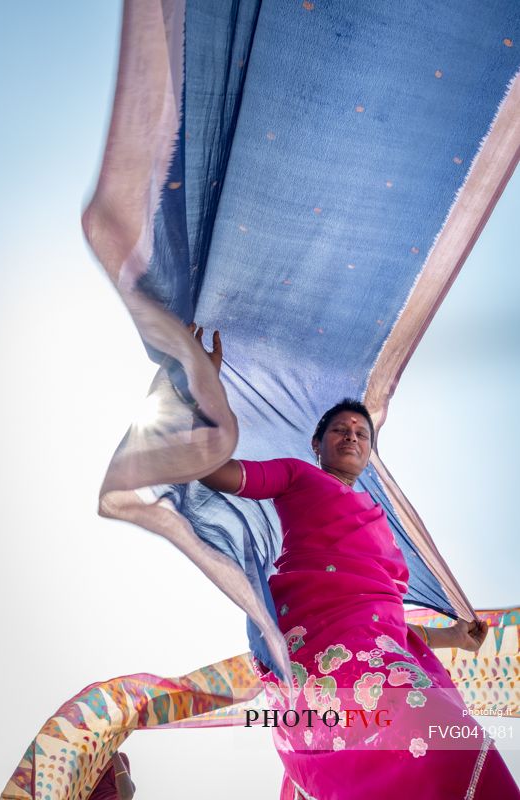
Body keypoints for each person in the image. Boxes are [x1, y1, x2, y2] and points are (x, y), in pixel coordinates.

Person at [100, 325, 519, 799]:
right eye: (339, 429)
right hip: (323, 641)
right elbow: (215, 473)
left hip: (380, 646)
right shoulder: (297, 475)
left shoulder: (382, 521)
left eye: (361, 433)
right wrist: (204, 393)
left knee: (450, 739)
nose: (352, 436)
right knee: (432, 727)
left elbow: (390, 623)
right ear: (317, 445)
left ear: (369, 451)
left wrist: (454, 638)